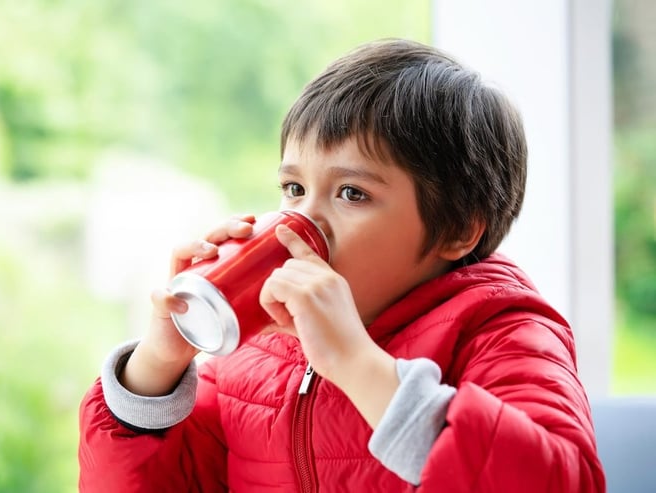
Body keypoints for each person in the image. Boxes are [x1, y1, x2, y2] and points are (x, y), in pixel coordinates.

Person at [78, 38, 605, 492]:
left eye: (351, 193)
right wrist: (156, 367)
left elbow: (554, 478)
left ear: (456, 229)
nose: (302, 222)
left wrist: (356, 363)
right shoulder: (258, 355)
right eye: (294, 189)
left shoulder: (501, 332)